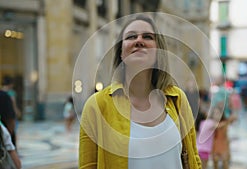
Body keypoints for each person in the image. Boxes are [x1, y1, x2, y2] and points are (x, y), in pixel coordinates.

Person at [79, 14, 201, 169]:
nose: (139, 41)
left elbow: (193, 159)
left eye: (148, 37)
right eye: (131, 36)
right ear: (121, 53)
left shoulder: (177, 99)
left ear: (158, 52)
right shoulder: (96, 106)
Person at [1, 75, 21, 147]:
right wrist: (16, 111)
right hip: (9, 115)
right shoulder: (11, 93)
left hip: (3, 117)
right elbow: (13, 103)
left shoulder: (2, 92)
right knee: (12, 133)